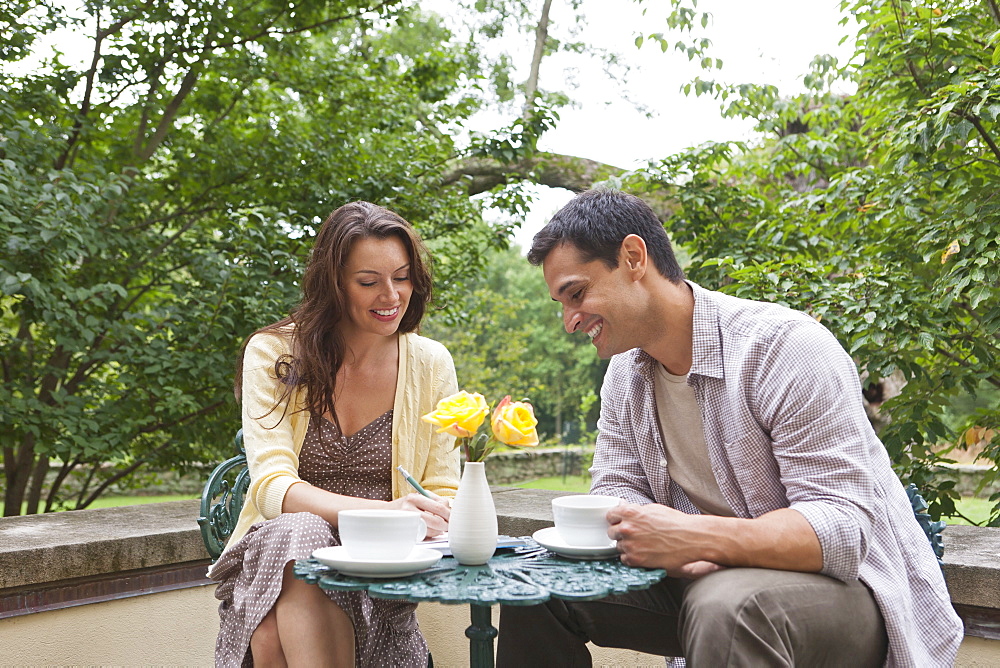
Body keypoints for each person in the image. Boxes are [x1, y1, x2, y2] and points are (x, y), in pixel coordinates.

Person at [496, 189, 963, 667]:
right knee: (534, 589)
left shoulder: (786, 348)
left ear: (633, 258)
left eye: (576, 294)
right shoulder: (626, 374)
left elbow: (842, 530)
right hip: (703, 580)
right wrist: (664, 539)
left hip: (851, 594)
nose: (569, 322)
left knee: (728, 604)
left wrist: (696, 539)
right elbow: (617, 488)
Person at [209, 201, 460, 667]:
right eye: (369, 282)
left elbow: (444, 490)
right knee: (298, 530)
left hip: (379, 576)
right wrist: (385, 513)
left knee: (270, 639)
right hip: (276, 560)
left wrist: (430, 514)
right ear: (334, 284)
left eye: (401, 277)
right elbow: (271, 488)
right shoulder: (273, 353)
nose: (391, 295)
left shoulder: (431, 364)